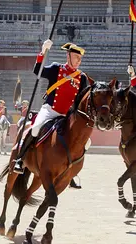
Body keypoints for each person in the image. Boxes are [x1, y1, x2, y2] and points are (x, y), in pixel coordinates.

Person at [13, 41, 93, 174]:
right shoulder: (57, 68)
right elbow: (38, 71)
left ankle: (71, 169)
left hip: (67, 115)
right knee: (35, 129)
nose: (79, 60)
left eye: (80, 58)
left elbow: (81, 100)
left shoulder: (82, 77)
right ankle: (20, 159)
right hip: (50, 110)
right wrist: (43, 52)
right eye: (76, 57)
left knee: (87, 141)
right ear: (68, 56)